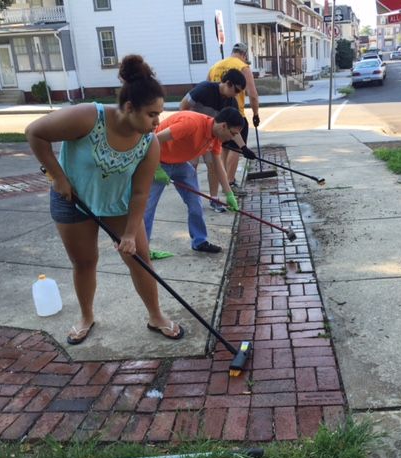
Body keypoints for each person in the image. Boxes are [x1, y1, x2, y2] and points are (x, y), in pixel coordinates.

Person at [25, 55, 184, 345]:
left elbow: (139, 193)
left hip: (118, 203)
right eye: (151, 114)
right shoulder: (89, 116)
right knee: (84, 262)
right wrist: (58, 177)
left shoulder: (150, 143)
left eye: (159, 114)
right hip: (72, 199)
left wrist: (130, 233)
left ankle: (155, 315)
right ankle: (86, 316)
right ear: (128, 107)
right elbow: (35, 132)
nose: (157, 121)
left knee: (140, 259)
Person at [143, 107, 245, 254]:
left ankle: (200, 241)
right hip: (158, 161)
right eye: (232, 133)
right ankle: (142, 250)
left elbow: (218, 165)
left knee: (195, 201)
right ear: (223, 126)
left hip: (180, 164)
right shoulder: (191, 124)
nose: (232, 138)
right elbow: (153, 139)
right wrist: (156, 168)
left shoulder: (216, 137)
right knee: (148, 206)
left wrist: (229, 194)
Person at [179, 68, 255, 213]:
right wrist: (186, 128)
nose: (237, 94)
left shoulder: (230, 102)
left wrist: (244, 148)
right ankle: (192, 199)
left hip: (210, 137)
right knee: (191, 168)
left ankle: (214, 199)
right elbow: (183, 105)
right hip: (193, 134)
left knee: (213, 166)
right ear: (228, 83)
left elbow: (233, 128)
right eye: (237, 90)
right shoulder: (204, 89)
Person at [208, 42, 261, 195]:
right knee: (236, 148)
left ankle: (222, 181)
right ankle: (230, 182)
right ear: (244, 55)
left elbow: (208, 85)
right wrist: (255, 114)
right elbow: (252, 94)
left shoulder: (215, 66)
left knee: (222, 149)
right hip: (236, 116)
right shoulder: (243, 67)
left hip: (218, 117)